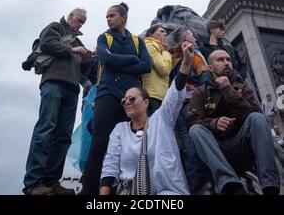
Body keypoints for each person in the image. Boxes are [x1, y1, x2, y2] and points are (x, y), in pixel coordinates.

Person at [99, 41, 194, 195]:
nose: (127, 103)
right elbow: (110, 164)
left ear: (146, 102)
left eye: (132, 99)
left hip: (167, 192)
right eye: (124, 101)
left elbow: (174, 93)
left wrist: (186, 62)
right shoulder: (120, 130)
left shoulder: (161, 119)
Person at [80, 2, 152, 195]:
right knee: (98, 143)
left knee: (126, 144)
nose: (108, 19)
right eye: (107, 16)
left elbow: (147, 66)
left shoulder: (137, 41)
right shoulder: (104, 37)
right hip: (107, 93)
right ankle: (89, 192)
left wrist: (117, 62)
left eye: (112, 15)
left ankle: (123, 188)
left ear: (123, 17)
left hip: (130, 97)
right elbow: (105, 58)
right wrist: (131, 60)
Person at [187, 49, 280, 195]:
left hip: (242, 147)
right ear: (210, 67)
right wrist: (214, 123)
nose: (226, 63)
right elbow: (193, 121)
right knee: (195, 130)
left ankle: (269, 184)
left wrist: (228, 90)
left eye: (228, 60)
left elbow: (255, 114)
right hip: (216, 151)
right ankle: (230, 185)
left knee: (258, 118)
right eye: (220, 60)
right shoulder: (201, 92)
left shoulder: (242, 88)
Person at [23, 9, 92, 195]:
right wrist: (72, 49)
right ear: (70, 17)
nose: (81, 24)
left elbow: (82, 70)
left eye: (84, 22)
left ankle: (52, 182)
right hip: (53, 83)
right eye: (79, 20)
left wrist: (86, 59)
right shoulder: (56, 27)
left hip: (72, 90)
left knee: (63, 136)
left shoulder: (78, 41)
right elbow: (47, 44)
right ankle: (33, 183)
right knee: (46, 129)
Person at [171, 28, 208, 194]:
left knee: (186, 142)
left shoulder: (172, 54)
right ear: (186, 37)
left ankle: (192, 183)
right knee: (198, 138)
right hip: (193, 100)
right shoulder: (194, 52)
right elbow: (204, 76)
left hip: (176, 102)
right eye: (191, 34)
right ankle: (202, 182)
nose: (194, 37)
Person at [142, 24, 173, 114]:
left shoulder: (160, 48)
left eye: (166, 32)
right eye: (161, 31)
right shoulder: (150, 46)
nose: (165, 34)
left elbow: (169, 68)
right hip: (154, 95)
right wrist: (166, 51)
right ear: (152, 34)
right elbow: (164, 70)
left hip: (161, 95)